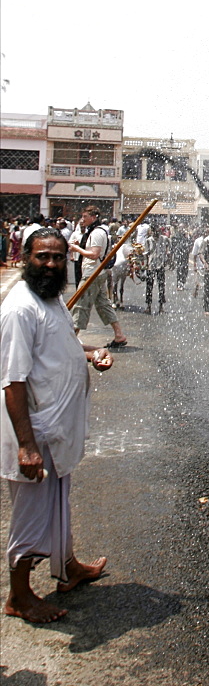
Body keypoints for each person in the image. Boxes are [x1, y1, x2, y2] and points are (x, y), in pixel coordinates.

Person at [1, 228, 113, 623]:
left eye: (57, 258)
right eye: (42, 257)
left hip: (55, 430)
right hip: (36, 433)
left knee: (58, 503)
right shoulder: (19, 309)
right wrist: (26, 446)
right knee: (32, 515)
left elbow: (63, 347)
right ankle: (19, 596)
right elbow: (12, 381)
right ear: (24, 259)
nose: (50, 264)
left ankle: (68, 569)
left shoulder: (50, 300)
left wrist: (92, 353)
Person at [69, 206, 127, 347]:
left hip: (92, 273)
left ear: (93, 217)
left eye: (85, 217)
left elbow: (94, 254)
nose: (82, 220)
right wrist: (80, 246)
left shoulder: (97, 233)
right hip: (97, 273)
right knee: (103, 304)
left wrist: (76, 248)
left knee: (81, 305)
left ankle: (70, 340)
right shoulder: (96, 231)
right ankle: (119, 335)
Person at [143, 225, 170, 314]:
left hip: (160, 265)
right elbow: (146, 254)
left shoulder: (164, 239)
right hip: (151, 266)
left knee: (161, 286)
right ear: (152, 232)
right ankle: (148, 306)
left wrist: (168, 259)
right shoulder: (149, 240)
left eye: (157, 232)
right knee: (149, 286)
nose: (156, 234)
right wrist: (145, 265)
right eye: (154, 232)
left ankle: (161, 306)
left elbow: (168, 249)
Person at [171, 223, 191, 291]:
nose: (181, 229)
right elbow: (173, 246)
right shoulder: (176, 236)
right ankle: (179, 284)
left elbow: (190, 243)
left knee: (185, 270)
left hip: (186, 256)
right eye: (180, 227)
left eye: (182, 227)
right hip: (179, 256)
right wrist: (173, 256)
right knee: (179, 270)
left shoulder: (187, 235)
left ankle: (183, 283)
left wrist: (187, 236)